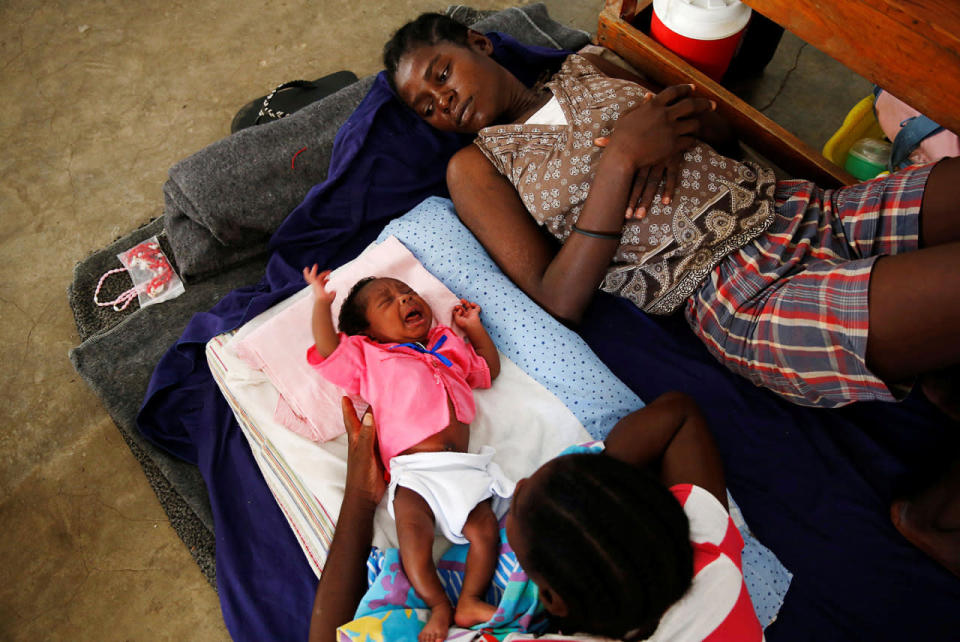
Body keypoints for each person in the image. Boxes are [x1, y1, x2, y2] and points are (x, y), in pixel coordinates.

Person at [382, 13, 960, 575]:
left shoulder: (593, 63)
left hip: (802, 209)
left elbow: (723, 138)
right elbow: (557, 301)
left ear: (478, 43)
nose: (443, 102)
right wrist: (621, 160)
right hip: (743, 294)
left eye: (441, 74)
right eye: (426, 107)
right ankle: (938, 512)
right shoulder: (478, 166)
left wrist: (676, 125)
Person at [309, 392, 763, 641]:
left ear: (552, 602)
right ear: (673, 515)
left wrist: (360, 495)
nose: (518, 485)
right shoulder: (714, 557)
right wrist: (588, 493)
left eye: (519, 504)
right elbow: (678, 415)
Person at [302, 265, 511, 641]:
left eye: (407, 292)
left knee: (484, 531)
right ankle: (438, 605)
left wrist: (474, 328)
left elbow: (487, 369)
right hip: (413, 470)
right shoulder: (368, 357)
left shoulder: (446, 343)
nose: (405, 298)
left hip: (462, 466)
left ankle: (469, 600)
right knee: (415, 541)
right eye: (388, 300)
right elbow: (327, 348)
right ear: (367, 332)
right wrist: (320, 303)